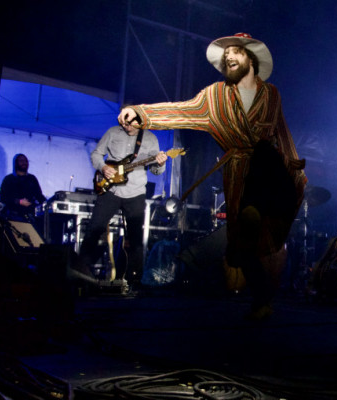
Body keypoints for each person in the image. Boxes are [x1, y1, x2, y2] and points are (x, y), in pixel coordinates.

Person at [118, 32, 307, 319]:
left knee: (265, 158)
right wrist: (140, 113)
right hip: (239, 176)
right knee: (241, 249)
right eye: (226, 53)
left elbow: (282, 132)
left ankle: (257, 212)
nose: (229, 56)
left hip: (269, 171)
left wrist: (295, 167)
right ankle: (262, 299)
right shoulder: (213, 97)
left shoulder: (271, 94)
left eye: (236, 51)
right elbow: (179, 111)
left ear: (251, 59)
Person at [79, 124, 168, 290]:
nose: (126, 125)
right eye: (123, 122)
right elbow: (96, 154)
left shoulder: (150, 138)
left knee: (135, 237)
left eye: (130, 122)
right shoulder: (112, 132)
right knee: (94, 228)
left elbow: (156, 171)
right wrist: (103, 167)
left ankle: (135, 279)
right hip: (110, 190)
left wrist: (161, 164)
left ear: (139, 121)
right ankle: (81, 270)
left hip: (135, 192)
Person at [0, 153, 46, 223]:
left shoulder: (32, 179)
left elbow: (39, 196)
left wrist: (47, 204)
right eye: (21, 161)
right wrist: (18, 201)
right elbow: (3, 197)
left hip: (30, 216)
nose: (24, 163)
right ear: (16, 163)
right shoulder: (8, 179)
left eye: (26, 161)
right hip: (13, 216)